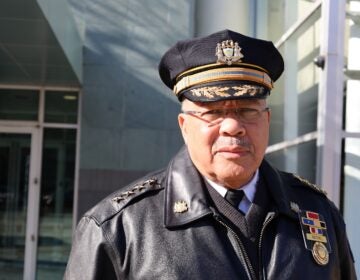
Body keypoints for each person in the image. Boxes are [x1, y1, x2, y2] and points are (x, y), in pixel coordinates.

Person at [64, 29, 356, 280]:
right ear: (184, 126)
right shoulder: (117, 229)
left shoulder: (318, 213)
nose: (233, 126)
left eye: (247, 110)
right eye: (213, 113)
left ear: (266, 121)